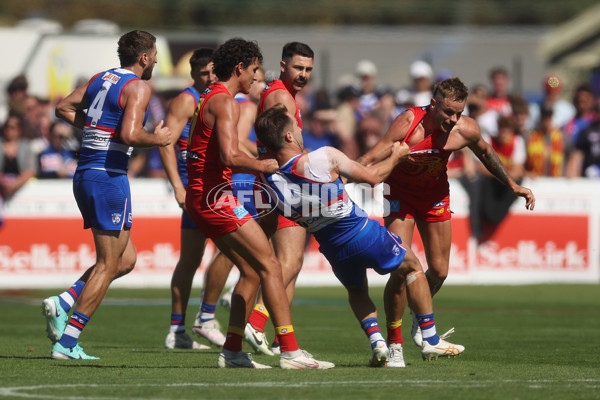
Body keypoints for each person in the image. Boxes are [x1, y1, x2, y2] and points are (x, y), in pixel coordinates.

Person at [255, 103, 465, 366]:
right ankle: (431, 339)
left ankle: (378, 342)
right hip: (361, 233)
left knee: (356, 289)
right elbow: (373, 178)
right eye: (296, 126)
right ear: (288, 136)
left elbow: (271, 221)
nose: (300, 129)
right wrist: (396, 157)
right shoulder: (324, 156)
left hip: (332, 249)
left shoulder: (271, 185)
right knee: (412, 268)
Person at [185, 37, 333, 369]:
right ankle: (290, 350)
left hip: (205, 194)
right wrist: (266, 165)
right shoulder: (225, 101)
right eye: (253, 69)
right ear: (240, 68)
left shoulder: (212, 96)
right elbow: (231, 154)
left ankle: (234, 349)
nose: (257, 76)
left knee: (253, 270)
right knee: (272, 266)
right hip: (214, 197)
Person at [359, 77, 535, 347]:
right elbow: (372, 156)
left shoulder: (465, 130)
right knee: (401, 267)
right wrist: (339, 179)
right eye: (448, 112)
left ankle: (420, 315)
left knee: (440, 271)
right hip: (398, 195)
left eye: (459, 113)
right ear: (433, 105)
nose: (454, 119)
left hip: (435, 196)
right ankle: (394, 344)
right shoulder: (408, 124)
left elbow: (486, 153)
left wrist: (512, 184)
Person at [44, 30, 172, 359]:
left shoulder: (102, 78)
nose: (156, 59)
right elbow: (129, 134)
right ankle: (68, 342)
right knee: (107, 262)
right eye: (155, 53)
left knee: (125, 260)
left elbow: (63, 108)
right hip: (109, 177)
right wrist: (158, 140)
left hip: (86, 173)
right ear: (144, 57)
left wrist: (97, 129)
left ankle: (64, 302)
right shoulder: (139, 86)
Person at [243, 41, 315, 356]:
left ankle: (277, 337)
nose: (303, 74)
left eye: (309, 69)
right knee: (287, 261)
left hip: (274, 181)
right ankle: (255, 323)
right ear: (283, 65)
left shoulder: (279, 93)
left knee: (285, 263)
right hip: (284, 182)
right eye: (298, 67)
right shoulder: (281, 96)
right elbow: (284, 144)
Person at [157, 48, 225, 350]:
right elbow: (165, 142)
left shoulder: (220, 98)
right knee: (205, 256)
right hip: (196, 189)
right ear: (193, 75)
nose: (209, 78)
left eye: (213, 72)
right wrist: (177, 185)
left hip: (215, 187)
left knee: (197, 258)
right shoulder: (187, 99)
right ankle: (198, 320)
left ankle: (181, 329)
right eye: (203, 74)